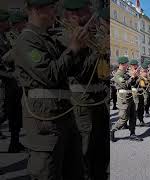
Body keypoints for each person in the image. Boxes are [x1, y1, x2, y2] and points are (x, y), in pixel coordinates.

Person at [12, 0, 87, 179]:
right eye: (52, 8)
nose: (56, 12)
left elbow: (72, 72)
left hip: (62, 113)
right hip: (44, 119)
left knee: (74, 170)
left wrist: (81, 48)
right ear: (37, 10)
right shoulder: (27, 39)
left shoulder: (48, 37)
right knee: (47, 172)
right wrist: (72, 49)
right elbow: (49, 75)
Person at [60, 1, 108, 179]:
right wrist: (99, 49)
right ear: (73, 15)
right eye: (86, 11)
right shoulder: (67, 37)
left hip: (98, 97)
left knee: (101, 147)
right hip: (82, 100)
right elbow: (80, 72)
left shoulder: (92, 34)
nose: (90, 15)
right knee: (86, 147)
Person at [2, 11, 28, 153]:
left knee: (15, 113)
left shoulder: (16, 35)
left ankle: (14, 142)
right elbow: (8, 57)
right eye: (23, 22)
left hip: (16, 80)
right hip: (8, 80)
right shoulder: (10, 36)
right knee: (5, 113)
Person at [110, 56, 143, 142]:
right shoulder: (118, 74)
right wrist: (132, 76)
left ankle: (132, 133)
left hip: (130, 97)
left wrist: (137, 76)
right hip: (123, 99)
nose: (128, 65)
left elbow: (133, 85)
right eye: (127, 63)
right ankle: (112, 130)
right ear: (122, 64)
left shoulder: (125, 73)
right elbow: (124, 85)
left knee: (133, 116)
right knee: (123, 119)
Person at [0, 9, 10, 140]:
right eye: (6, 21)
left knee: (7, 110)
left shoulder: (4, 36)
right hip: (2, 78)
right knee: (2, 110)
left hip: (6, 78)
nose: (9, 23)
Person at [129, 59, 149, 127]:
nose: (136, 66)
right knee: (135, 109)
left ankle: (141, 121)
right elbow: (132, 84)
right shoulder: (129, 73)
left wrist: (140, 76)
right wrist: (137, 76)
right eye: (135, 65)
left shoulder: (138, 72)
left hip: (140, 92)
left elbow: (143, 82)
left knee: (141, 108)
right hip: (134, 93)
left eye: (137, 65)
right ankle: (130, 124)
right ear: (131, 66)